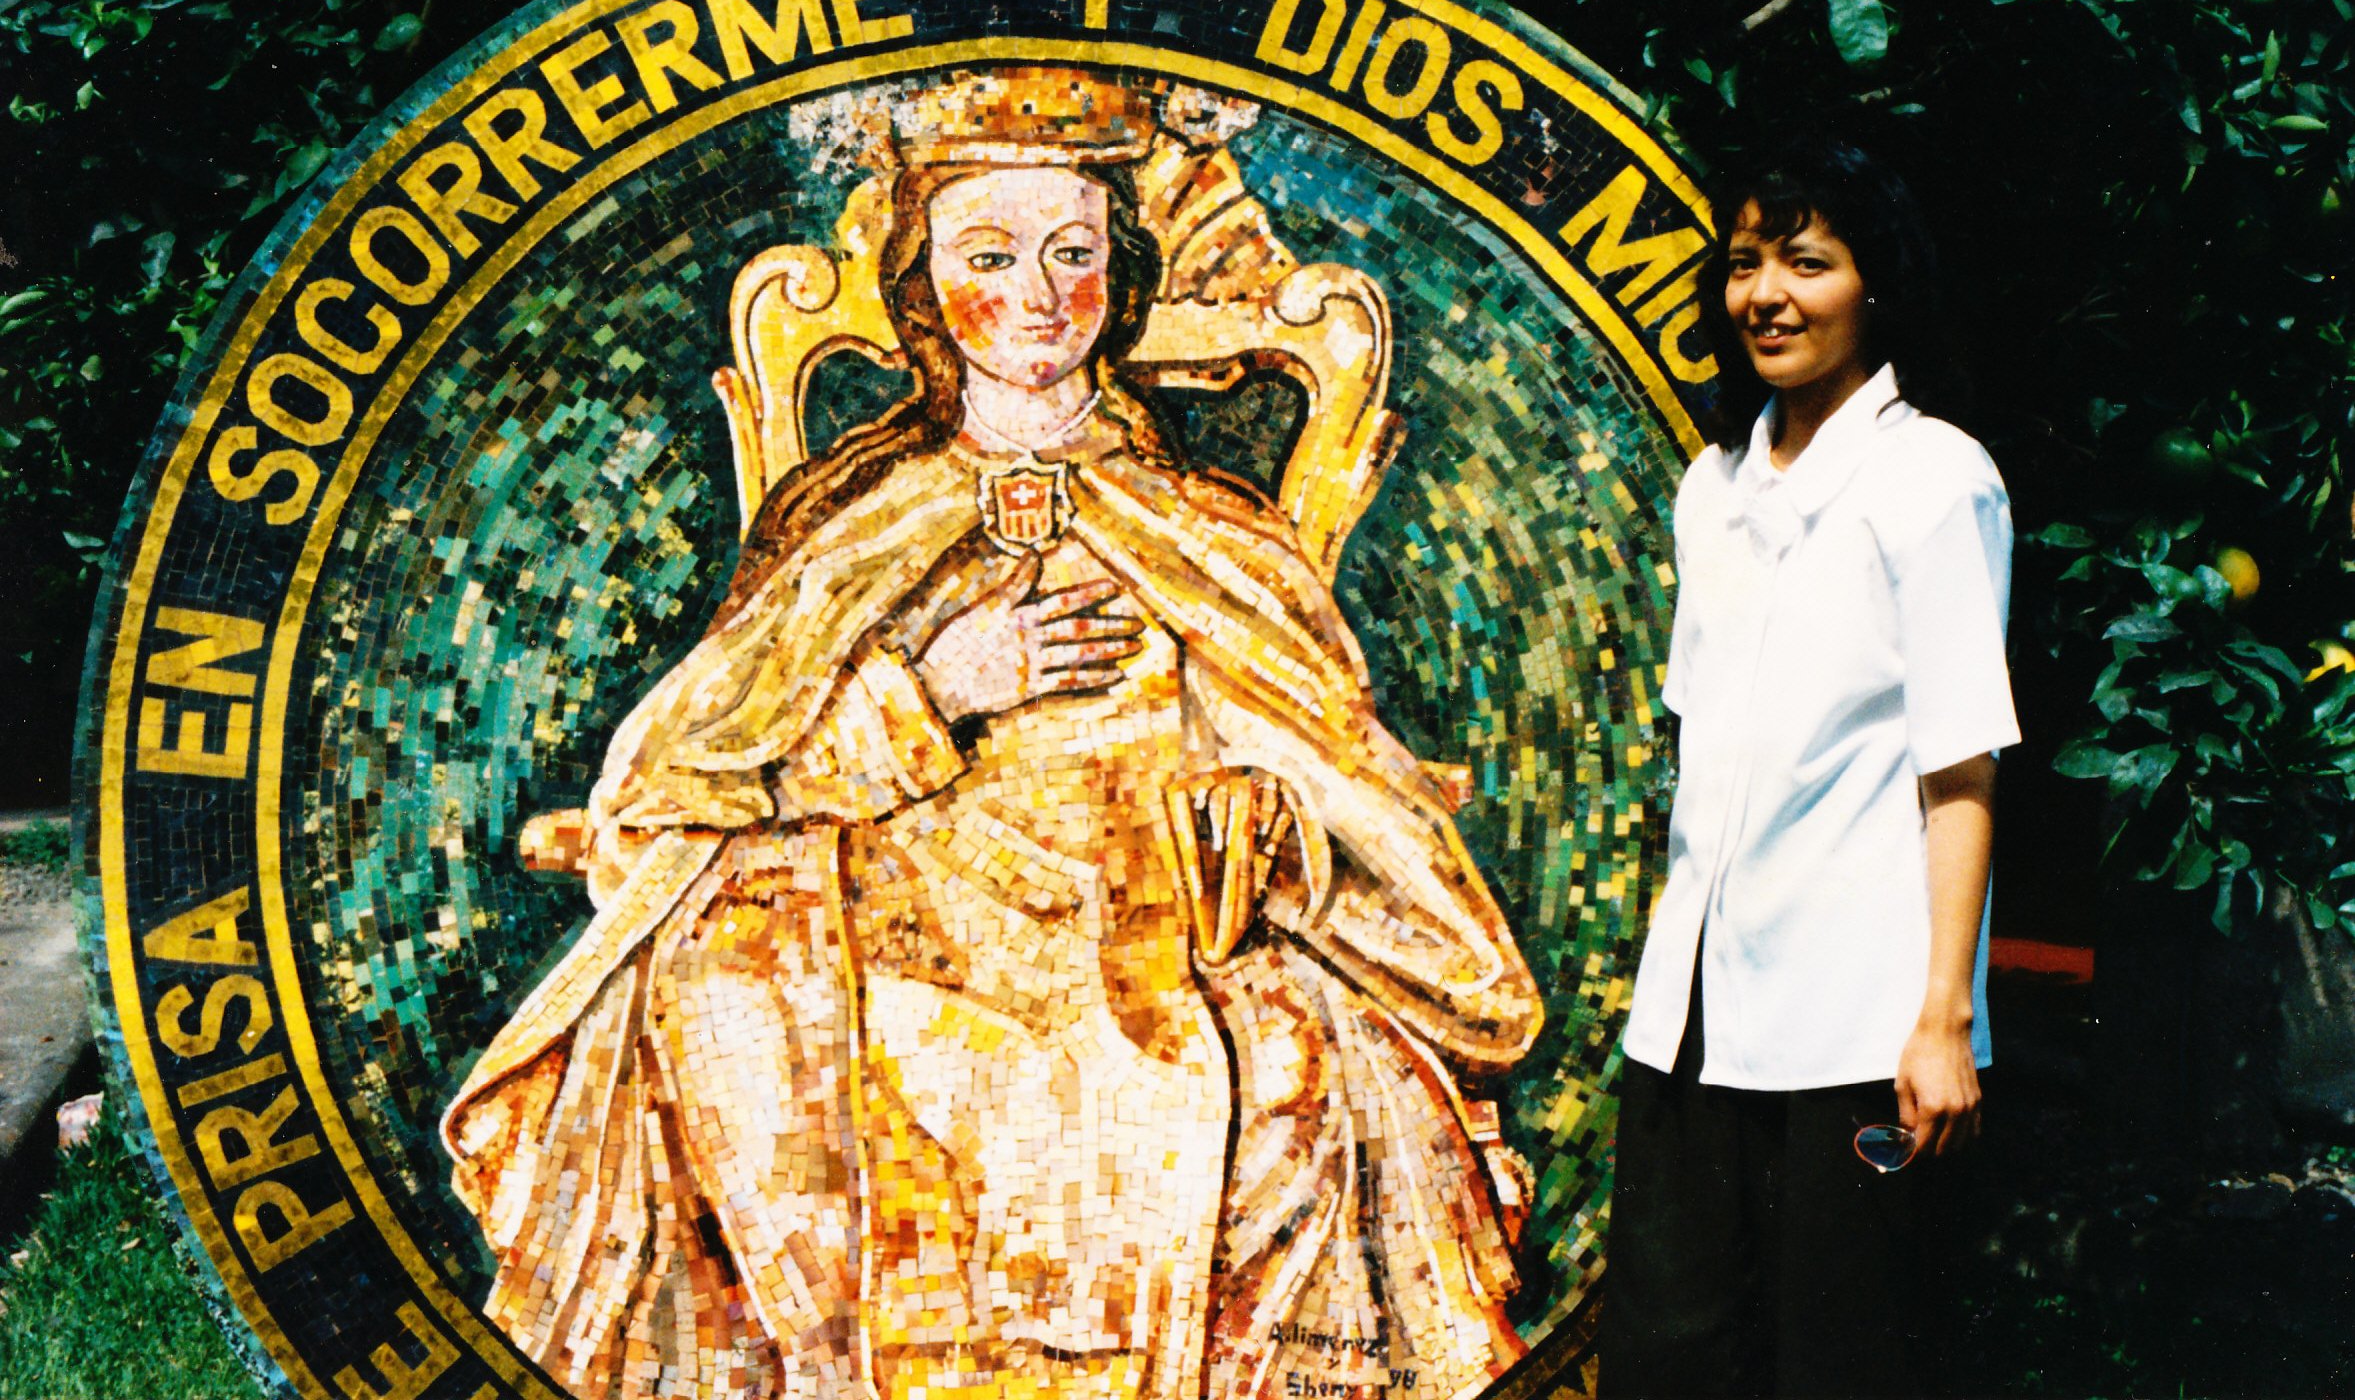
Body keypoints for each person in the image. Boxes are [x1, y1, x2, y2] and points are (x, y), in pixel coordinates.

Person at [440, 71, 1542, 1400]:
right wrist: (927, 693)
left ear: (1120, 280)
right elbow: (668, 778)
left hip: (1139, 947)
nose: (1035, 292)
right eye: (988, 253)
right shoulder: (859, 527)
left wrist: (1263, 820)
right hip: (893, 943)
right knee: (729, 1010)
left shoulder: (1206, 536)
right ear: (924, 287)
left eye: (1072, 252)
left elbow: (1330, 767)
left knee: (1277, 1075)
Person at [1603, 138, 2016, 1397]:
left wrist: (1943, 1019)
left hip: (1856, 1032)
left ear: (1872, 284)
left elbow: (1961, 768)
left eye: (1807, 262)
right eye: (1743, 265)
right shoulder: (1711, 489)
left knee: (1842, 1368)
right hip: (1693, 1028)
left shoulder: (1936, 480)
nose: (1767, 295)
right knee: (1671, 1365)